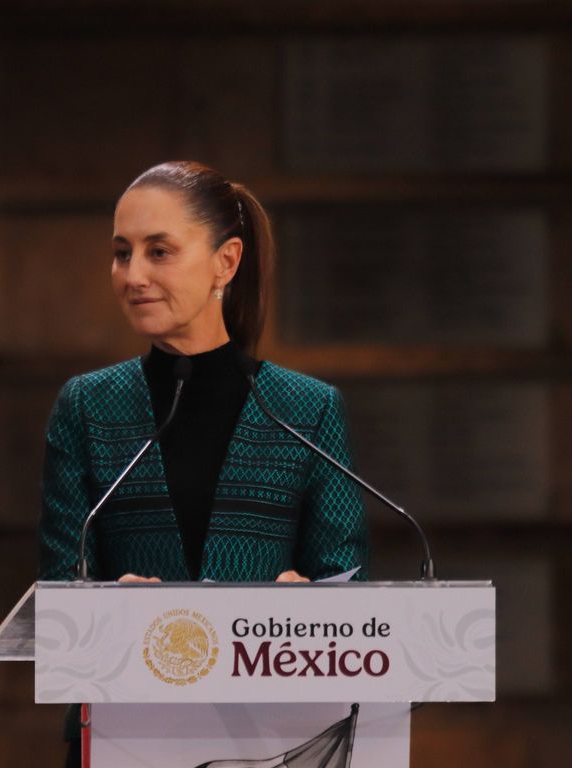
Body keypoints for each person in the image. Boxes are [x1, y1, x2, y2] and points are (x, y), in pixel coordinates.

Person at [34, 161, 369, 767]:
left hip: (270, 740)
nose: (132, 275)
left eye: (158, 251)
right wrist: (102, 602)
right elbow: (59, 592)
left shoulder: (306, 410)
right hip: (122, 736)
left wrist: (314, 608)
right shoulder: (87, 407)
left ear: (227, 261)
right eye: (121, 253)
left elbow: (351, 593)